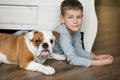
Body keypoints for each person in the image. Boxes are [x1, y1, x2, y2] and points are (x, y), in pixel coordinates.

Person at [53, 0, 113, 67]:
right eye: (70, 17)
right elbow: (72, 59)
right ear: (62, 18)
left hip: (65, 55)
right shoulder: (62, 34)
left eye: (78, 17)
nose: (75, 21)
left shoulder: (75, 29)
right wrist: (98, 63)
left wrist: (95, 57)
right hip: (54, 58)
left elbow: (79, 51)